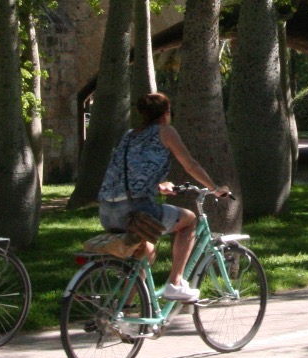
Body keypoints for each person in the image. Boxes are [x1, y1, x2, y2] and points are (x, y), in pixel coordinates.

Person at [99, 92, 231, 301]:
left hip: (107, 211)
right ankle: (175, 283)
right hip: (136, 210)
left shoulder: (130, 134)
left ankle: (124, 311)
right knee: (189, 220)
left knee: (146, 253)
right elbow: (190, 165)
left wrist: (158, 185)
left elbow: (129, 171)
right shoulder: (166, 131)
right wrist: (215, 188)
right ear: (166, 113)